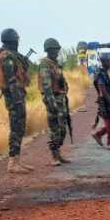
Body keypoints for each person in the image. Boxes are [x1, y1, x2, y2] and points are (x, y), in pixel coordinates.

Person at [0, 27, 31, 174]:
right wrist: (18, 101)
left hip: (17, 97)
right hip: (15, 99)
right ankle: (12, 163)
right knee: (16, 129)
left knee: (19, 128)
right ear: (13, 41)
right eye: (16, 40)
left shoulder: (7, 55)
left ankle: (17, 161)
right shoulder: (6, 57)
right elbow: (12, 81)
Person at [39, 37, 71, 165]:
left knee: (63, 128)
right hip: (52, 99)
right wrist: (51, 103)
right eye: (55, 49)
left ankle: (58, 153)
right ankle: (54, 156)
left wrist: (65, 89)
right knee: (54, 128)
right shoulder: (45, 64)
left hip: (60, 99)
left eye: (57, 49)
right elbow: (46, 86)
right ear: (49, 50)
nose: (57, 51)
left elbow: (62, 80)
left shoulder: (55, 64)